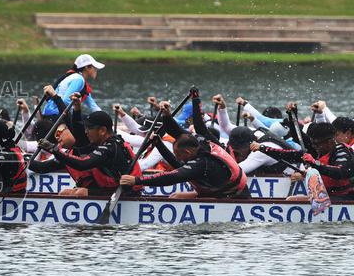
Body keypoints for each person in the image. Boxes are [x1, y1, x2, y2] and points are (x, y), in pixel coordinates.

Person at [119, 124, 248, 199]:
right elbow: (177, 165)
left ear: (187, 153)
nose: (178, 159)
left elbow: (173, 176)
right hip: (223, 194)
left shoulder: (202, 163)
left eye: (179, 155)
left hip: (236, 198)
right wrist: (159, 142)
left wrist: (137, 180)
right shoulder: (199, 146)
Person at [38, 110, 142, 197]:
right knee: (64, 193)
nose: (86, 132)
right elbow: (77, 129)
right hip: (113, 189)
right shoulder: (100, 143)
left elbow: (82, 164)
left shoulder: (110, 147)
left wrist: (54, 150)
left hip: (126, 192)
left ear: (102, 130)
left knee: (80, 192)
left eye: (89, 128)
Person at [254, 122, 354, 198]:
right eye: (313, 144)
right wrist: (263, 149)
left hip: (343, 198)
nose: (314, 147)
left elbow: (341, 172)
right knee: (291, 200)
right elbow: (288, 155)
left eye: (317, 144)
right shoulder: (318, 151)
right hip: (325, 198)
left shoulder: (342, 152)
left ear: (329, 142)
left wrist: (315, 164)